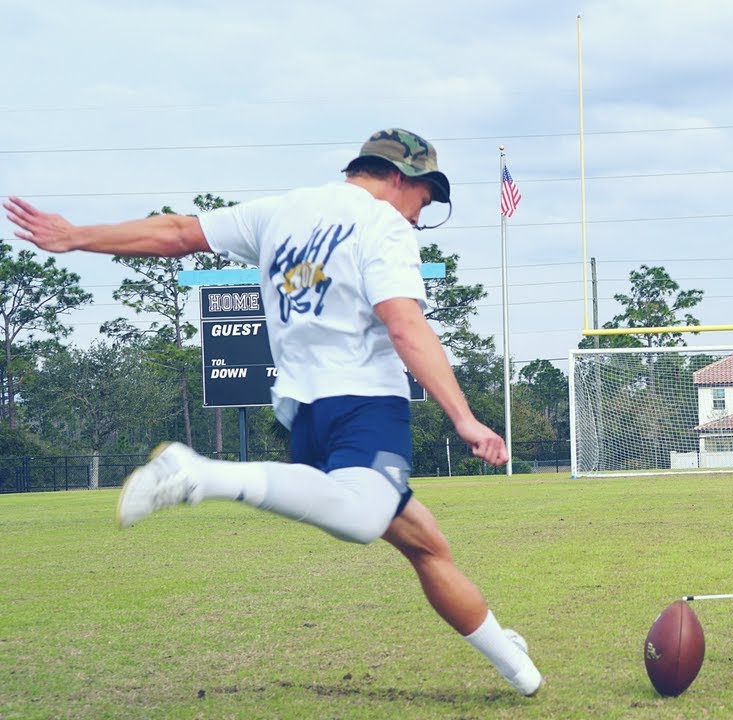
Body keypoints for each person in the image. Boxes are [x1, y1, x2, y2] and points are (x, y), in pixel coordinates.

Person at [3, 128, 543, 696]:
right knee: (361, 519)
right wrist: (464, 417)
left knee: (426, 545)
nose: (416, 219)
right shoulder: (382, 225)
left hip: (304, 414)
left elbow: (178, 233)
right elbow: (405, 323)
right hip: (365, 403)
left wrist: (74, 235)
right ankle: (201, 474)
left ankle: (516, 666)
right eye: (423, 204)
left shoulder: (282, 212)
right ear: (402, 178)